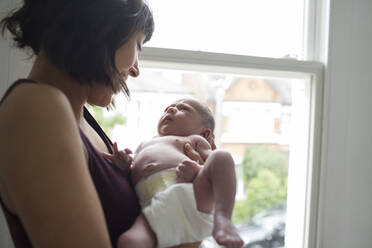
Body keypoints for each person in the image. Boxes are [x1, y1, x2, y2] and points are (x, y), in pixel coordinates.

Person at [0, 0, 160, 247]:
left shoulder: (80, 116)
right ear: (101, 27)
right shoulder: (37, 107)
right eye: (137, 45)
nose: (136, 69)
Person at [104, 98, 244, 248]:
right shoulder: (144, 144)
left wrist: (199, 170)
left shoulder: (194, 140)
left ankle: (223, 218)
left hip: (192, 194)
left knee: (222, 156)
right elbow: (133, 172)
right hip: (155, 209)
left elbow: (213, 167)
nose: (170, 110)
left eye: (183, 109)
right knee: (129, 241)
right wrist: (124, 166)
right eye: (168, 108)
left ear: (205, 133)